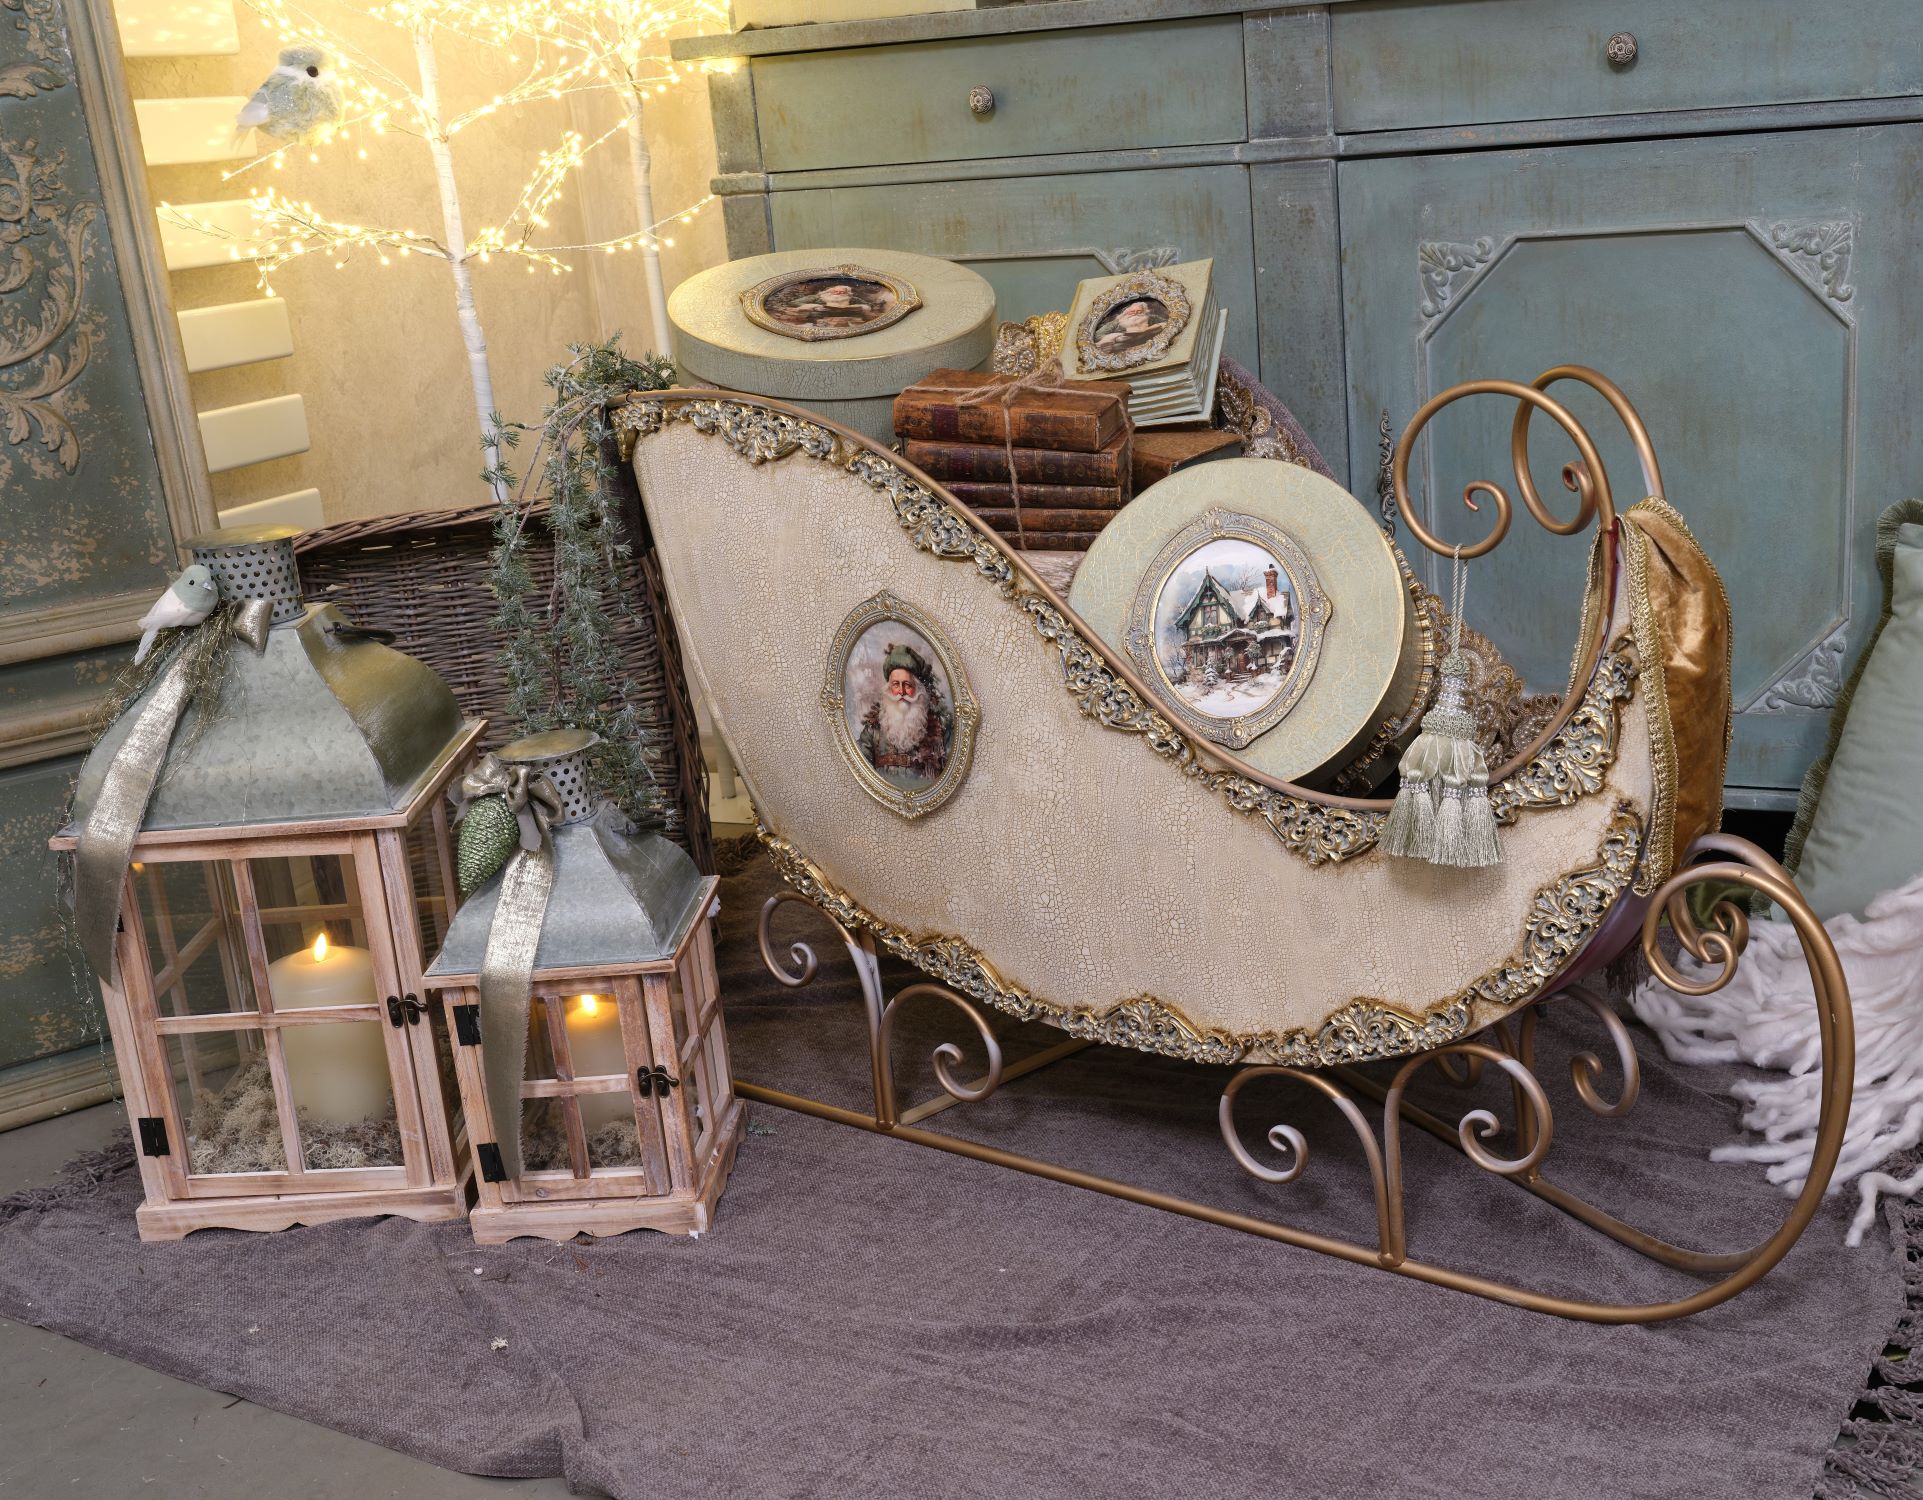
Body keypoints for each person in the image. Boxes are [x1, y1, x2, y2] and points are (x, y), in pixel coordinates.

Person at [857, 641, 951, 787]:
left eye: (907, 685)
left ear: (918, 688)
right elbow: (860, 771)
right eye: (896, 684)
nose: (901, 692)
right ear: (888, 689)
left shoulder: (940, 727)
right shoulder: (872, 730)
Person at [777, 281, 888, 328]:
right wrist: (813, 306)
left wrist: (863, 308)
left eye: (841, 292)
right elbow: (794, 303)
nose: (838, 293)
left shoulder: (853, 299)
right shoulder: (817, 298)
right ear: (827, 292)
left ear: (847, 293)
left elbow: (868, 306)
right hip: (818, 320)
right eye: (835, 291)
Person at [1093, 297, 1169, 354]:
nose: (1135, 313)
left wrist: (1148, 330)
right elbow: (1097, 336)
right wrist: (1117, 336)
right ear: (1126, 312)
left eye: (1139, 311)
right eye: (1132, 311)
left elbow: (1167, 322)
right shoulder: (1116, 323)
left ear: (1144, 312)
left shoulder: (1151, 318)